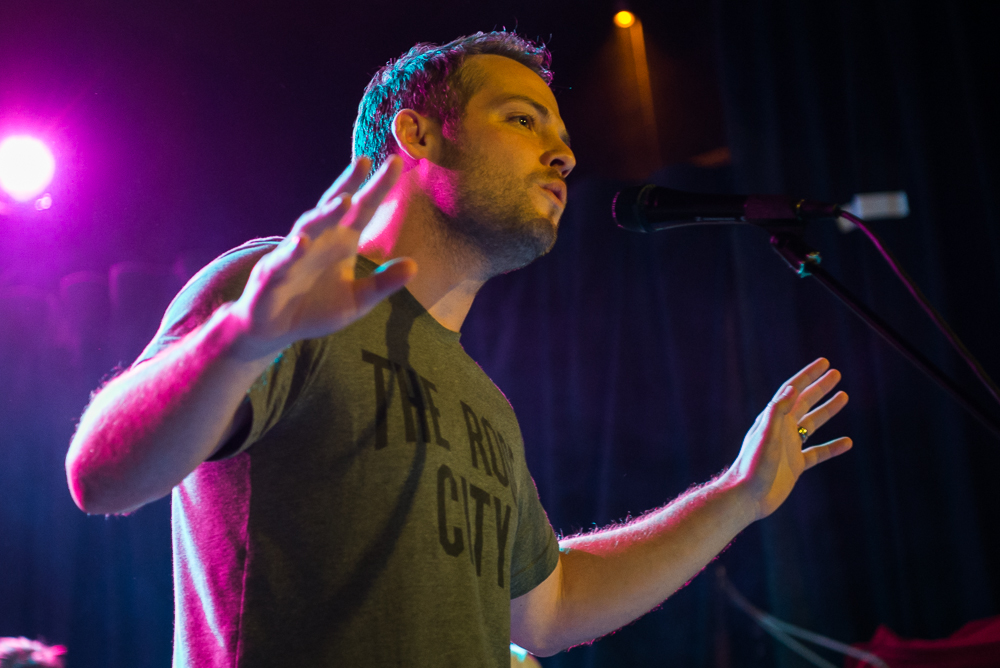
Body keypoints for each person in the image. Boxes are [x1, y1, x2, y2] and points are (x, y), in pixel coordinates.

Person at [65, 31, 851, 667]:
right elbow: (101, 474)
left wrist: (739, 495)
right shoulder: (275, 291)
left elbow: (548, 608)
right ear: (417, 134)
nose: (564, 155)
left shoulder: (486, 405)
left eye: (563, 136)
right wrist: (247, 335)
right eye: (523, 120)